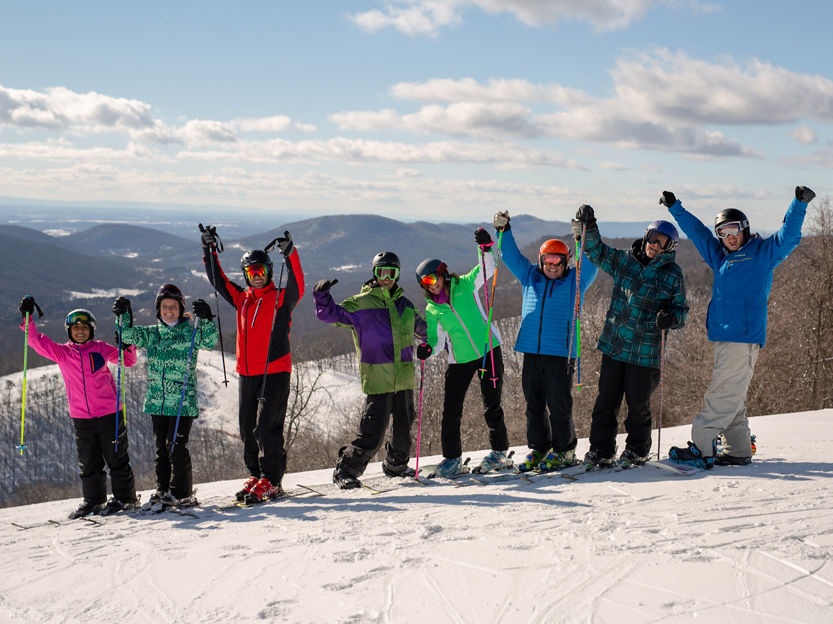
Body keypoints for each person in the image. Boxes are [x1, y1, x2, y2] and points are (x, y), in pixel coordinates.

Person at [661, 186, 815, 468]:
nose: (729, 237)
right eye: (723, 232)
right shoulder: (720, 256)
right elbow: (698, 233)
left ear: (745, 229)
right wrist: (675, 208)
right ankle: (738, 450)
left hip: (742, 336)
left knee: (721, 392)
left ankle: (702, 448)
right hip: (724, 336)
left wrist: (798, 204)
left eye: (733, 230)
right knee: (732, 394)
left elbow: (788, 236)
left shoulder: (762, 253)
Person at [572, 205, 688, 467]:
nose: (654, 245)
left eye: (662, 241)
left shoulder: (672, 275)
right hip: (615, 345)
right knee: (605, 403)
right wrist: (589, 226)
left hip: (644, 353)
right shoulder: (626, 260)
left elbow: (681, 311)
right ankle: (601, 449)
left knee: (638, 405)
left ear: (670, 247)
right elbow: (596, 251)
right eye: (652, 237)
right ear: (645, 236)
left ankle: (637, 449)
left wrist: (671, 318)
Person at [200, 227, 304, 503]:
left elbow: (298, 285)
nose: (257, 277)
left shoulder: (282, 298)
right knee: (246, 427)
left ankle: (272, 481)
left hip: (275, 371)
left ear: (269, 271)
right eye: (251, 273)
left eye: (261, 271)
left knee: (267, 427)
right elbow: (218, 281)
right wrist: (208, 249)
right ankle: (257, 475)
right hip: (247, 373)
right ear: (246, 275)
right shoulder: (242, 298)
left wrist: (290, 254)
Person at [492, 211, 598, 472]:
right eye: (548, 261)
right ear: (541, 261)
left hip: (560, 354)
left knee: (559, 405)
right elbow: (511, 256)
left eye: (558, 262)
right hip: (531, 352)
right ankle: (540, 448)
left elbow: (592, 261)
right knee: (534, 405)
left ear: (565, 262)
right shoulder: (530, 277)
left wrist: (587, 232)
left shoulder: (575, 281)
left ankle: (565, 450)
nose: (552, 266)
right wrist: (503, 231)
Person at [314, 251, 428, 489]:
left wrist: (430, 344)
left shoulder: (405, 306)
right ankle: (345, 470)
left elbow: (425, 331)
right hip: (378, 378)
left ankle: (396, 465)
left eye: (391, 272)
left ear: (397, 275)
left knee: (404, 431)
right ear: (374, 274)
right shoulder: (361, 303)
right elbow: (330, 315)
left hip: (404, 378)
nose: (386, 277)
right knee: (372, 432)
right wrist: (322, 296)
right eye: (381, 272)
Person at [17, 297, 139, 518]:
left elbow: (128, 360)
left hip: (109, 414)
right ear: (69, 331)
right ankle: (94, 501)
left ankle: (126, 499)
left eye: (84, 327)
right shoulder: (62, 353)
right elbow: (35, 341)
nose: (80, 331)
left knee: (116, 458)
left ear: (91, 330)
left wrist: (126, 329)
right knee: (89, 462)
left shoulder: (101, 349)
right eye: (75, 328)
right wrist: (27, 318)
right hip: (81, 417)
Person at [416, 228, 511, 476]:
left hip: (487, 352)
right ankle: (452, 459)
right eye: (424, 284)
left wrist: (486, 247)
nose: (431, 286)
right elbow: (437, 341)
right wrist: (429, 349)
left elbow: (488, 267)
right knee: (451, 411)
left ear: (443, 275)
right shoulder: (432, 310)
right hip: (459, 361)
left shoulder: (465, 286)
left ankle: (499, 453)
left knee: (492, 405)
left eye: (432, 279)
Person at [112, 284, 218, 507]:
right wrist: (124, 315)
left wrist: (207, 319)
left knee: (176, 448)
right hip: (157, 401)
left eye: (173, 306)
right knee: (161, 449)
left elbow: (209, 341)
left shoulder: (190, 332)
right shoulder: (152, 333)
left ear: (181, 309)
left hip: (181, 401)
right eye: (164, 307)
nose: (169, 310)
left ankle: (182, 493)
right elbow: (127, 336)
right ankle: (162, 489)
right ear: (158, 309)